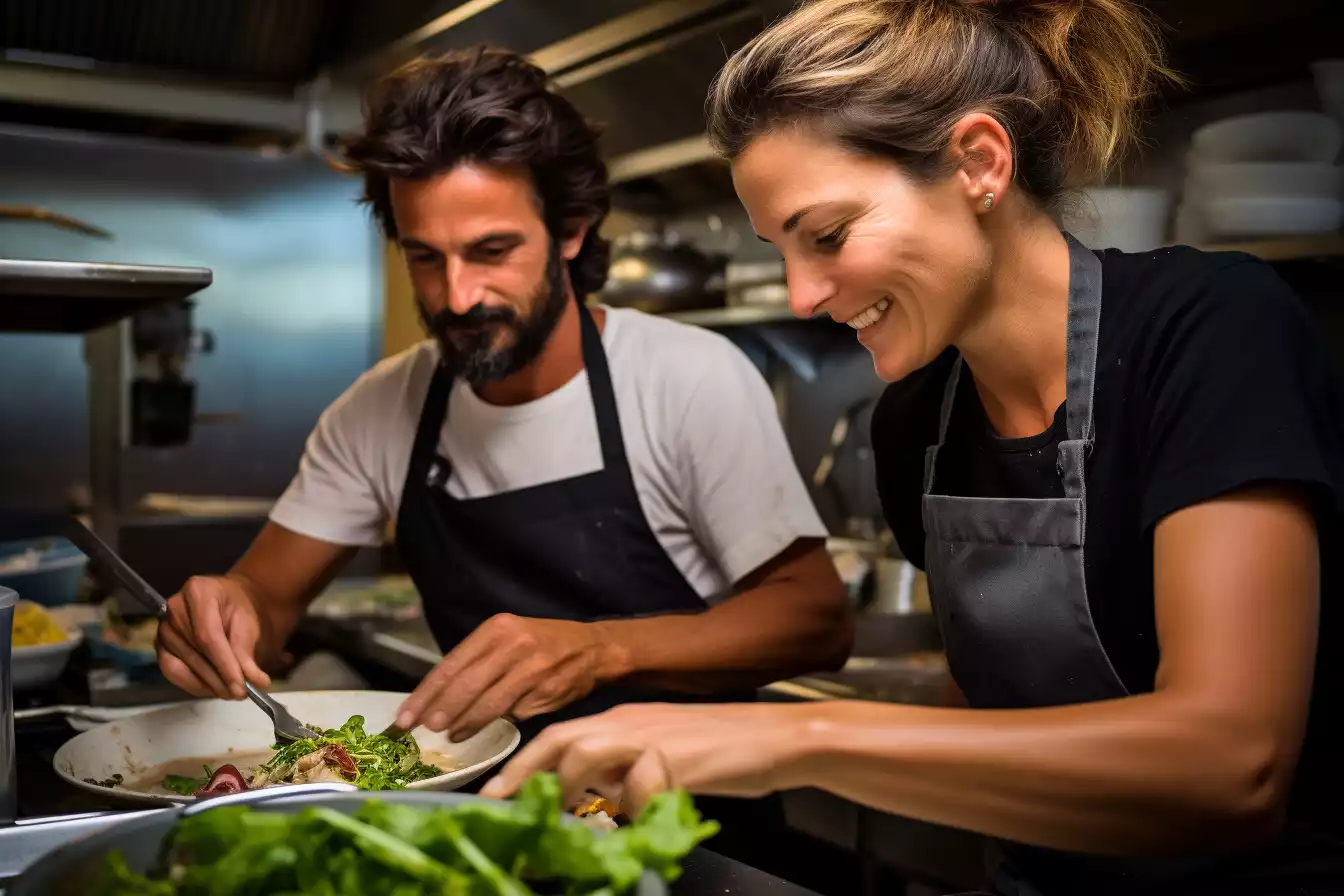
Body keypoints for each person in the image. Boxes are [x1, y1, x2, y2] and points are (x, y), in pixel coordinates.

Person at [483, 2, 1344, 894]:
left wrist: (794, 738)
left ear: (979, 162)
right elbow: (983, 724)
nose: (804, 294)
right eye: (781, 249)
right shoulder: (917, 421)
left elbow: (1233, 767)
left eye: (828, 235)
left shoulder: (1209, 333)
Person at [154, 48, 851, 802]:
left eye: (492, 251)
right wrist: (225, 615)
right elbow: (267, 599)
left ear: (572, 230)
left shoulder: (686, 377)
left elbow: (813, 618)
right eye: (425, 258)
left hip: (688, 821)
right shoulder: (381, 410)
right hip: (487, 820)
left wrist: (601, 650)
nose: (456, 297)